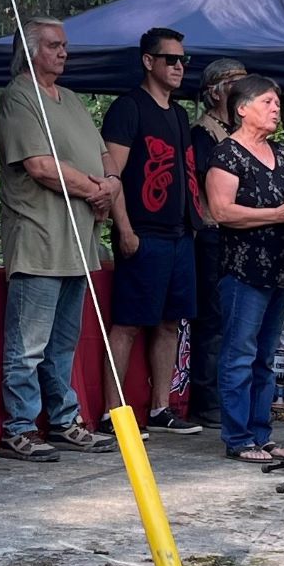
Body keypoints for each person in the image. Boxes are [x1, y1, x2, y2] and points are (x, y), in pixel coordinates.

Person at [0, 17, 117, 462]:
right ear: (29, 51)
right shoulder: (19, 97)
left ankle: (64, 420)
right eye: (53, 45)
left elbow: (104, 153)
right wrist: (96, 189)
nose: (63, 52)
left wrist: (112, 184)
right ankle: (20, 427)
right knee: (28, 346)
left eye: (65, 45)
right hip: (40, 238)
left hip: (78, 240)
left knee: (63, 343)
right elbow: (40, 166)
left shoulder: (71, 99)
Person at [101, 26, 199, 434]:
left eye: (183, 60)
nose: (178, 67)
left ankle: (160, 407)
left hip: (178, 233)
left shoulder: (178, 113)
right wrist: (123, 228)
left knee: (170, 322)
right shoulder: (129, 108)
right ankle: (113, 413)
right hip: (143, 232)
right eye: (170, 59)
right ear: (148, 61)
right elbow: (112, 174)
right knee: (127, 323)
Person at [204, 75, 284, 463]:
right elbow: (222, 211)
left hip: (280, 267)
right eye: (266, 102)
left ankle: (262, 434)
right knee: (239, 353)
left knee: (265, 355)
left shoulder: (281, 153)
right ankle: (238, 437)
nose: (276, 108)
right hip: (245, 269)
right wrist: (276, 214)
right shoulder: (226, 154)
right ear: (242, 108)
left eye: (277, 102)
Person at [184, 57, 247, 425]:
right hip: (212, 233)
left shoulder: (239, 133)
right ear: (217, 92)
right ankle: (206, 399)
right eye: (236, 84)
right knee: (213, 320)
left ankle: (230, 397)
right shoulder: (203, 133)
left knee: (236, 320)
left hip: (239, 234)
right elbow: (214, 179)